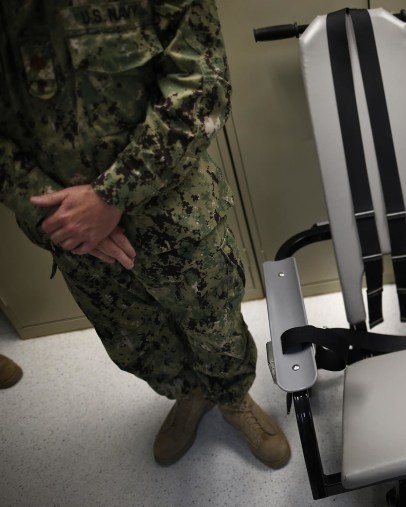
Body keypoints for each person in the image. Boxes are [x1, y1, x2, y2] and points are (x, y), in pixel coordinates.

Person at [0, 0, 290, 468]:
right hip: (72, 237)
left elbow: (201, 85)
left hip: (174, 213)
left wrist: (111, 196)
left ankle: (234, 399)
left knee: (215, 321)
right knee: (134, 336)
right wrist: (51, 211)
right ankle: (190, 395)